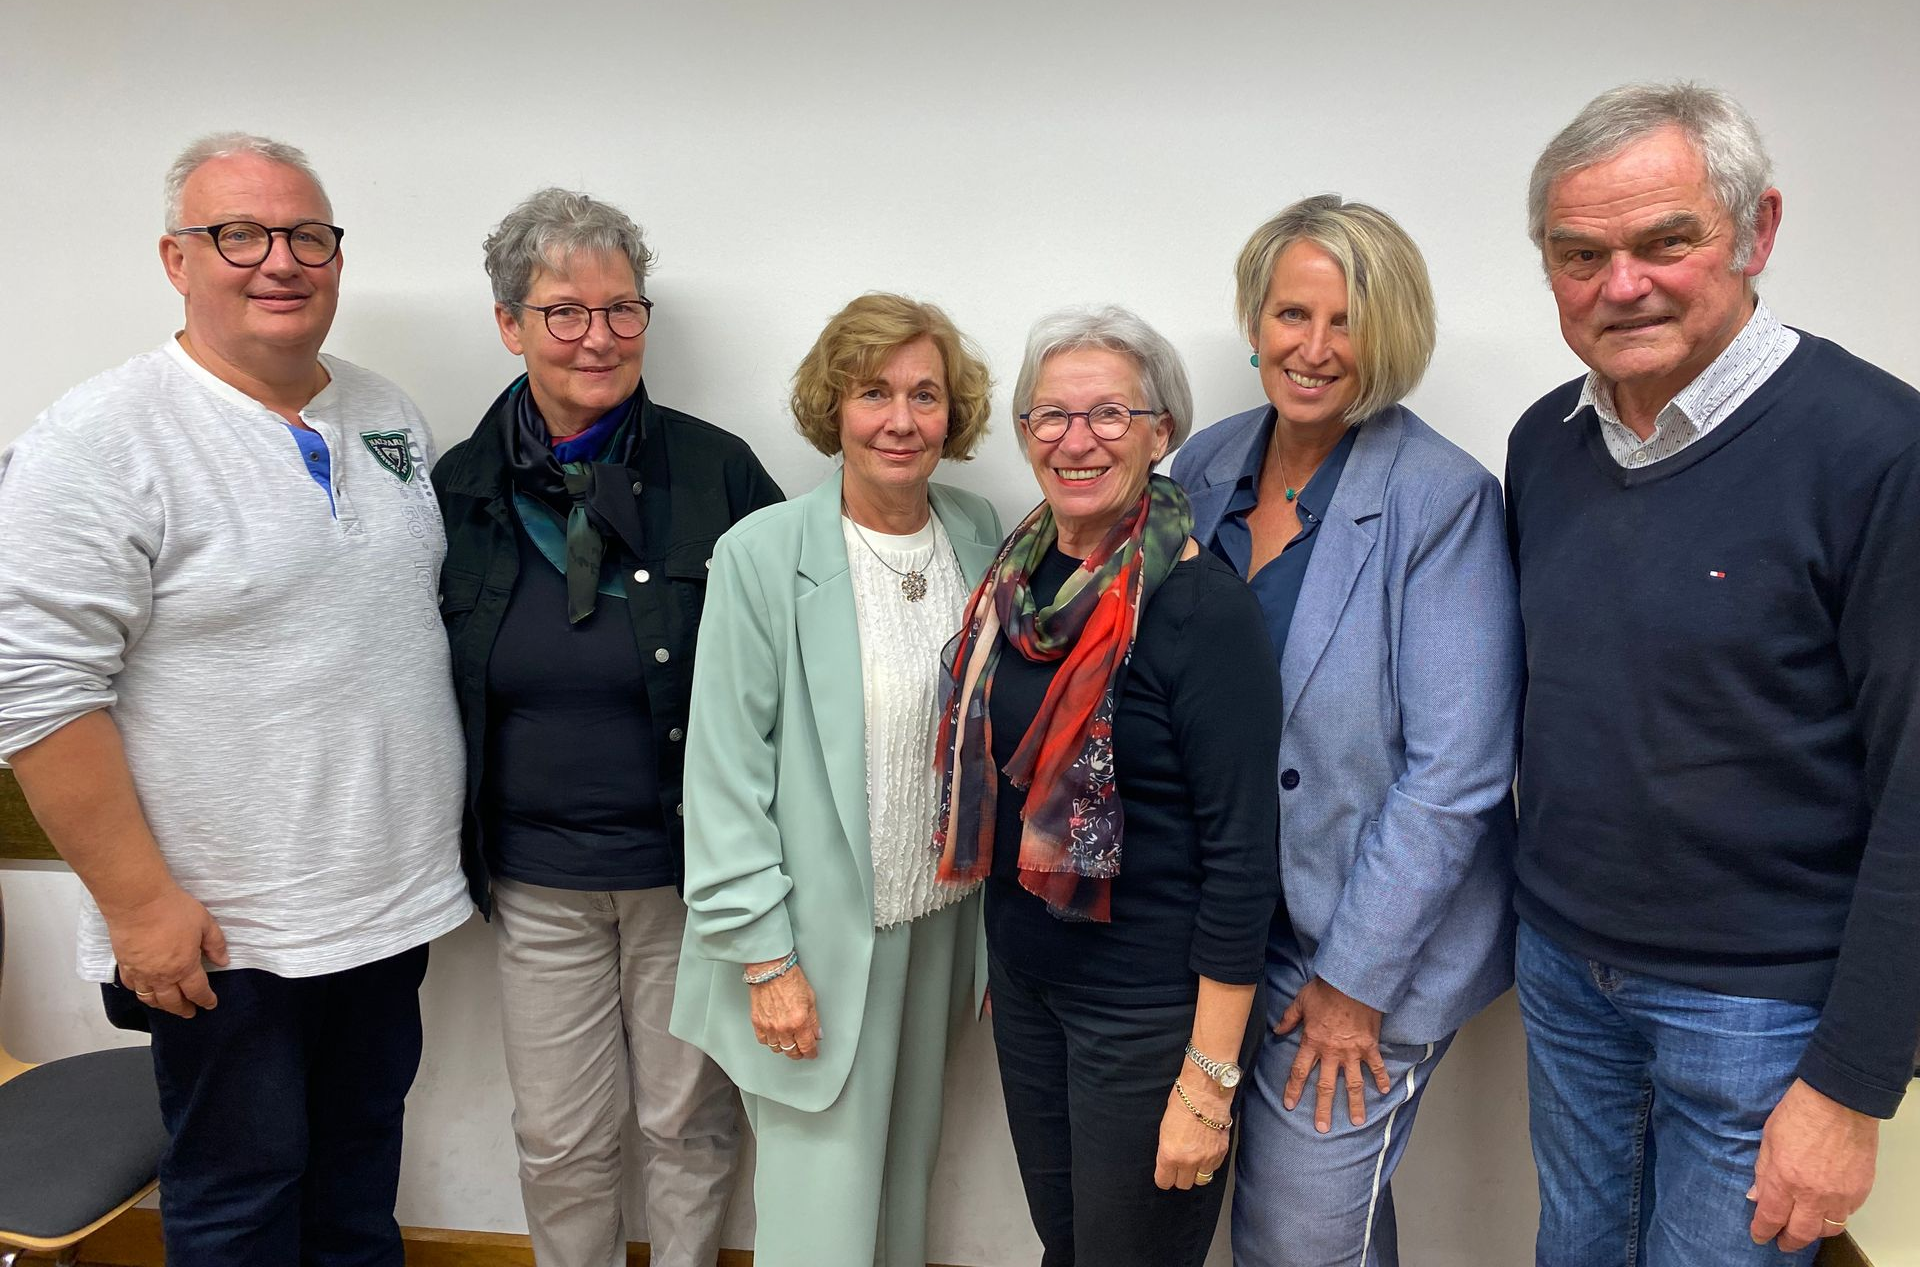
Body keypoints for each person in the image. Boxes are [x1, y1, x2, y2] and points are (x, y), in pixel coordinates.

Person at [0, 133, 470, 1266]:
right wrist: (139, 907)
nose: (281, 261)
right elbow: (35, 690)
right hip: (220, 930)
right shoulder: (99, 438)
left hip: (381, 905)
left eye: (308, 236)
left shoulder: (387, 414)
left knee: (358, 1182)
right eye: (240, 235)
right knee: (239, 1201)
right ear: (177, 259)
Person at [1508, 81, 1920, 1263]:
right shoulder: (1544, 444)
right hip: (1566, 973)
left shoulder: (1881, 451)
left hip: (1761, 1011)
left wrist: (1851, 1085)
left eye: (1665, 240)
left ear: (1756, 231)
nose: (1620, 283)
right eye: (1580, 254)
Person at [1170, 196, 1522, 1266]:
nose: (1314, 348)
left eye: (1347, 322)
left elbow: (1456, 774)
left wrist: (1354, 984)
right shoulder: (1202, 467)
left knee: (1298, 1238)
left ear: (1391, 335)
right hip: (1218, 927)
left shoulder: (1441, 497)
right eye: (1292, 314)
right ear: (1255, 320)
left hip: (1355, 943)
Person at [433, 188, 780, 1267]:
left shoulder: (717, 471)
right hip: (537, 878)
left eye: (622, 308)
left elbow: (795, 663)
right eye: (565, 311)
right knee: (561, 1140)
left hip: (691, 874)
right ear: (510, 324)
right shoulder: (459, 487)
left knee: (689, 1125)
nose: (599, 336)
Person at [936, 306, 1282, 1266]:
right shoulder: (1017, 580)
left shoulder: (1203, 610)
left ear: (1160, 432)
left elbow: (1243, 857)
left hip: (1147, 1012)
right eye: (1051, 414)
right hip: (1029, 986)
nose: (1076, 439)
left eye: (1109, 414)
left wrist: (1208, 1081)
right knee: (1067, 1244)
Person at [670, 293, 1001, 1267]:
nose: (901, 419)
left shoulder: (977, 532)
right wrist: (766, 962)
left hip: (939, 927)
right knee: (821, 1230)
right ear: (833, 406)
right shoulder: (763, 554)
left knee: (901, 1204)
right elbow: (723, 773)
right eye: (873, 392)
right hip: (807, 946)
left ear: (953, 412)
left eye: (925, 394)